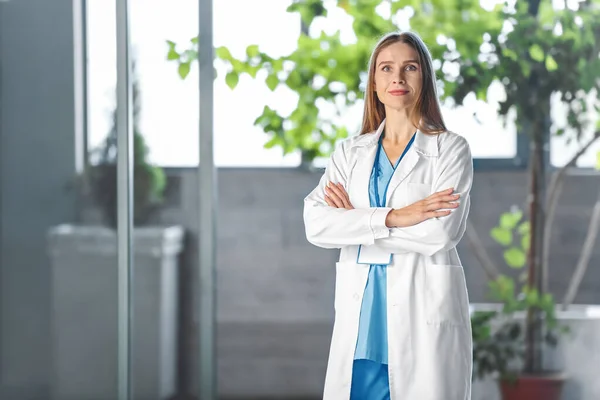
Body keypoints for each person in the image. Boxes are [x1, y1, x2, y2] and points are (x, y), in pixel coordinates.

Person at [303, 31, 473, 400]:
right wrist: (397, 217)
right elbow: (316, 224)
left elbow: (440, 234)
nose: (397, 77)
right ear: (375, 84)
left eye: (409, 67)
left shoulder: (449, 149)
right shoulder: (350, 153)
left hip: (422, 312)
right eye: (387, 68)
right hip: (362, 319)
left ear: (423, 79)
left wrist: (357, 222)